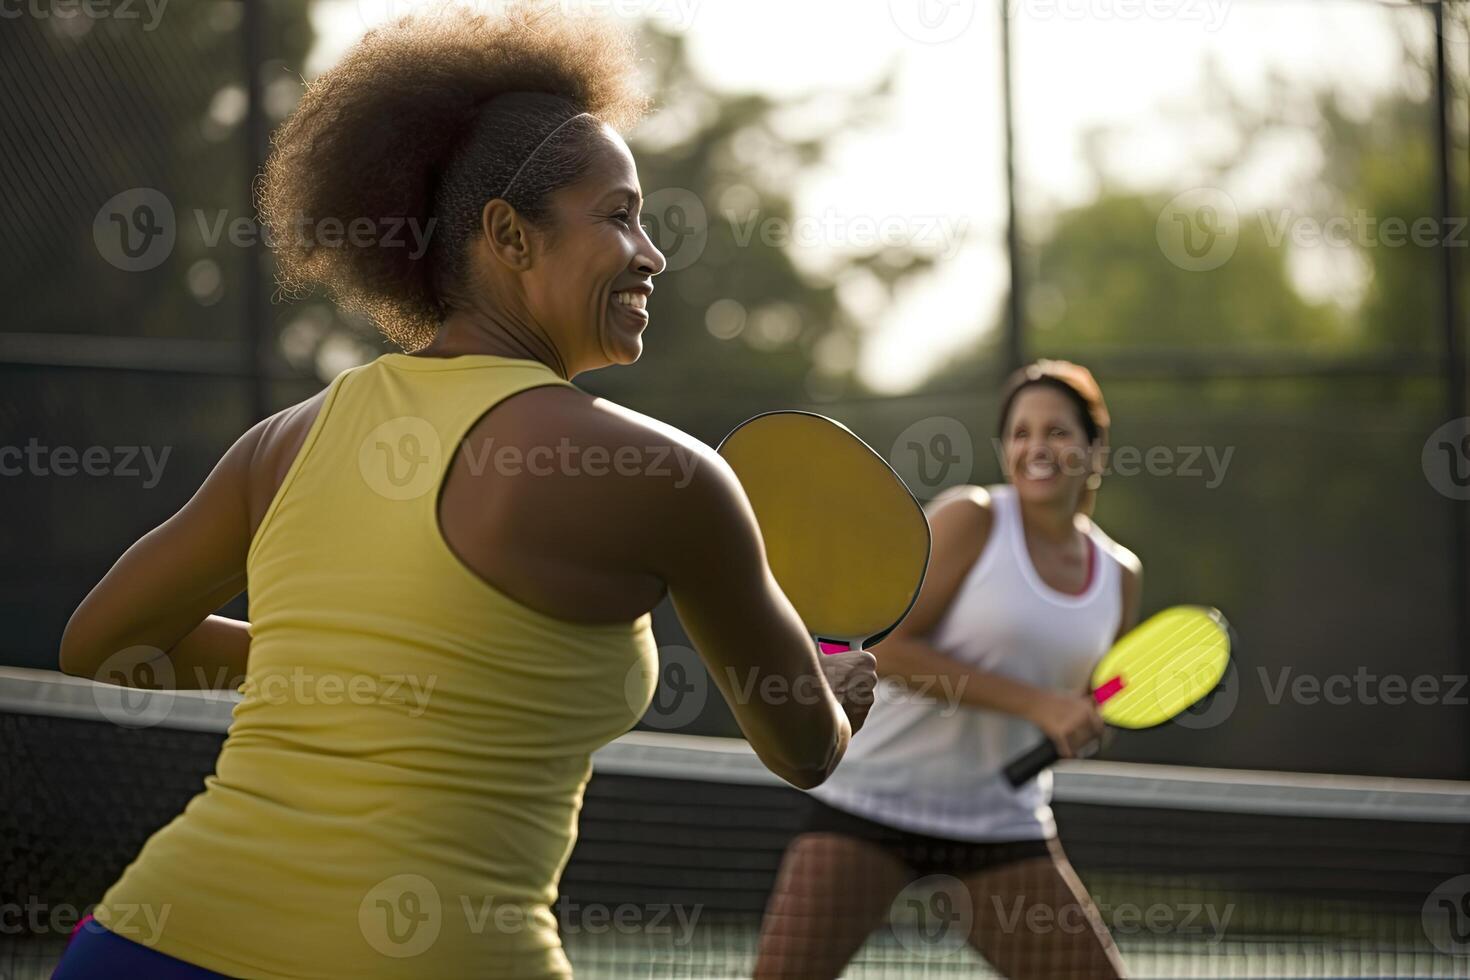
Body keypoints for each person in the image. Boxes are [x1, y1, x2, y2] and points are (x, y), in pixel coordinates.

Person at [52, 6, 875, 978]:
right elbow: (803, 745)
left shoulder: (281, 440)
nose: (652, 251)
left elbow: (102, 644)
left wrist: (328, 668)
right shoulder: (672, 475)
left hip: (143, 943)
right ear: (507, 236)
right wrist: (844, 697)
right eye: (618, 213)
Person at [754, 360, 1141, 979]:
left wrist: (1084, 720)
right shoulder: (974, 517)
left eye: (1058, 432)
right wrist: (1038, 706)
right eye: (1021, 433)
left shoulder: (1120, 576)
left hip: (1000, 823)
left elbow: (1089, 697)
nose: (1037, 448)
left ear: (1096, 450)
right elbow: (892, 649)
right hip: (871, 804)